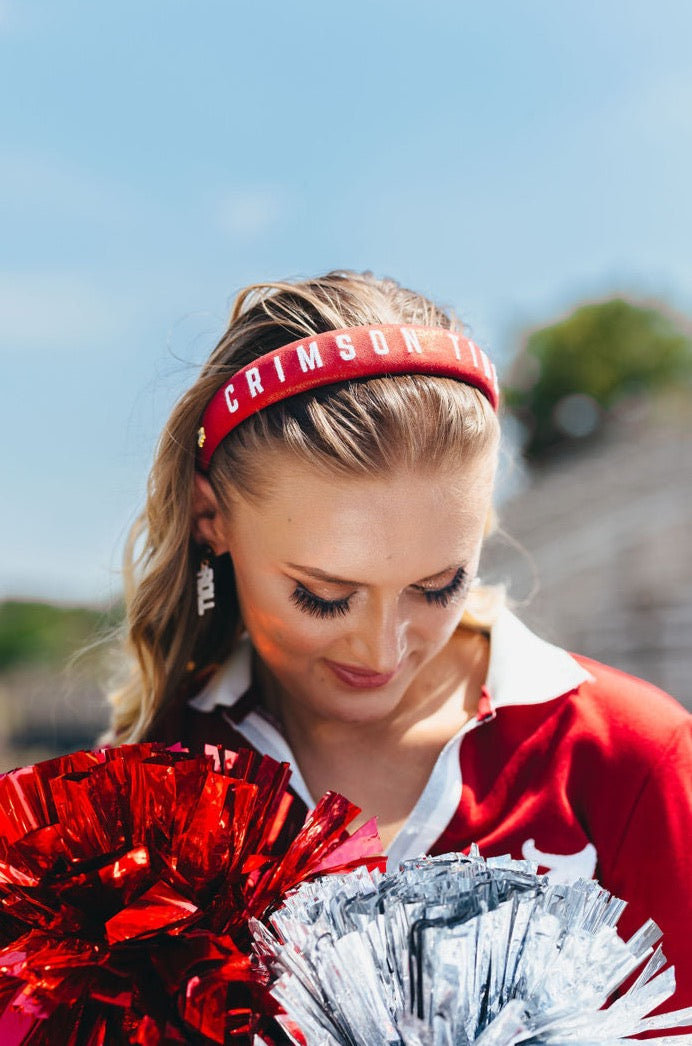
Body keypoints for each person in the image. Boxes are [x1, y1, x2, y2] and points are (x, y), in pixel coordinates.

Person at [106, 270, 692, 1004]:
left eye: (437, 586)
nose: (382, 651)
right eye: (324, 595)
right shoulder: (144, 793)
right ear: (208, 517)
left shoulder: (628, 756)